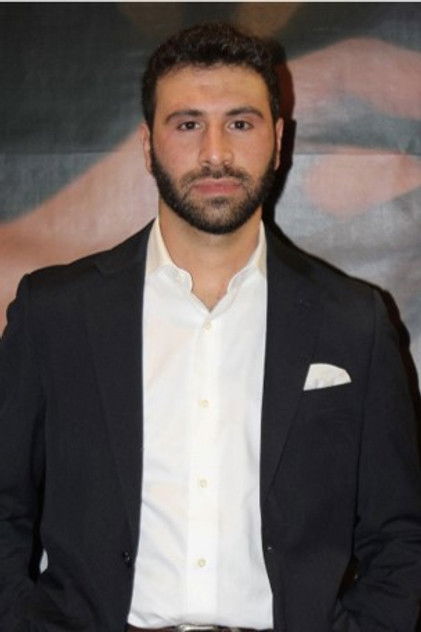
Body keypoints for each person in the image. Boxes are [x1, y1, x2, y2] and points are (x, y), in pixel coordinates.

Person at [0, 22, 420, 632]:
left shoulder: (354, 321)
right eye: (188, 124)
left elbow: (401, 532)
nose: (215, 153)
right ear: (148, 144)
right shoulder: (54, 314)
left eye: (240, 124)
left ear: (279, 139)